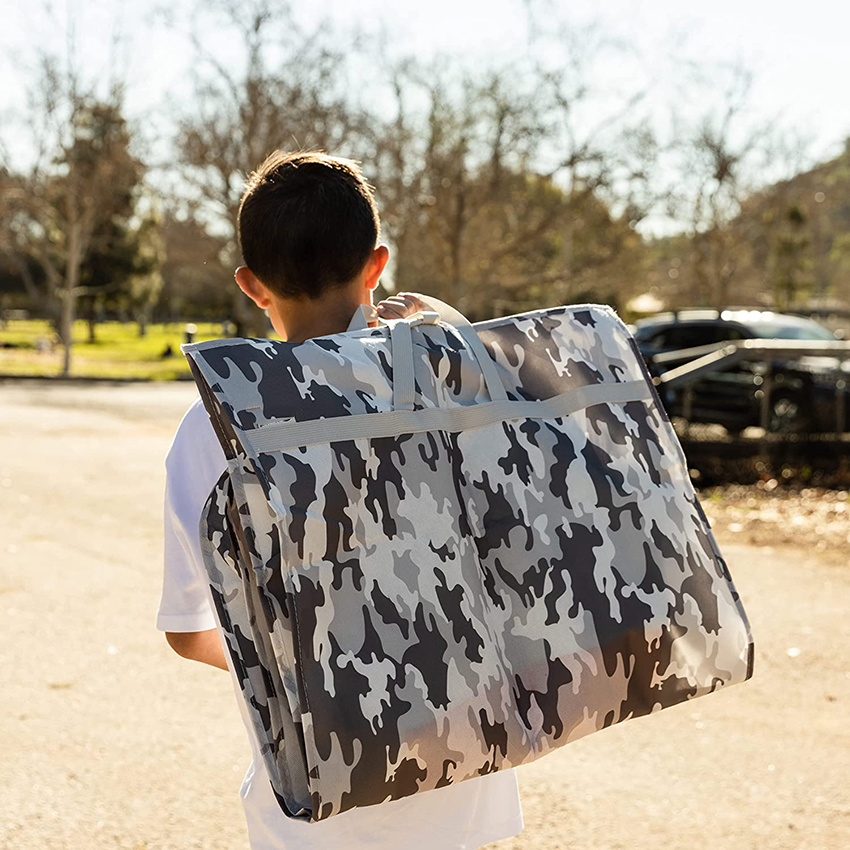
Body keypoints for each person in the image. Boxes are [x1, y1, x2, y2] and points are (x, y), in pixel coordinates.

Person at [156, 151, 524, 850]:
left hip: (312, 799)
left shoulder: (212, 426)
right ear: (376, 265)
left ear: (251, 285)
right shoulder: (446, 390)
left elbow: (186, 629)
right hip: (465, 786)